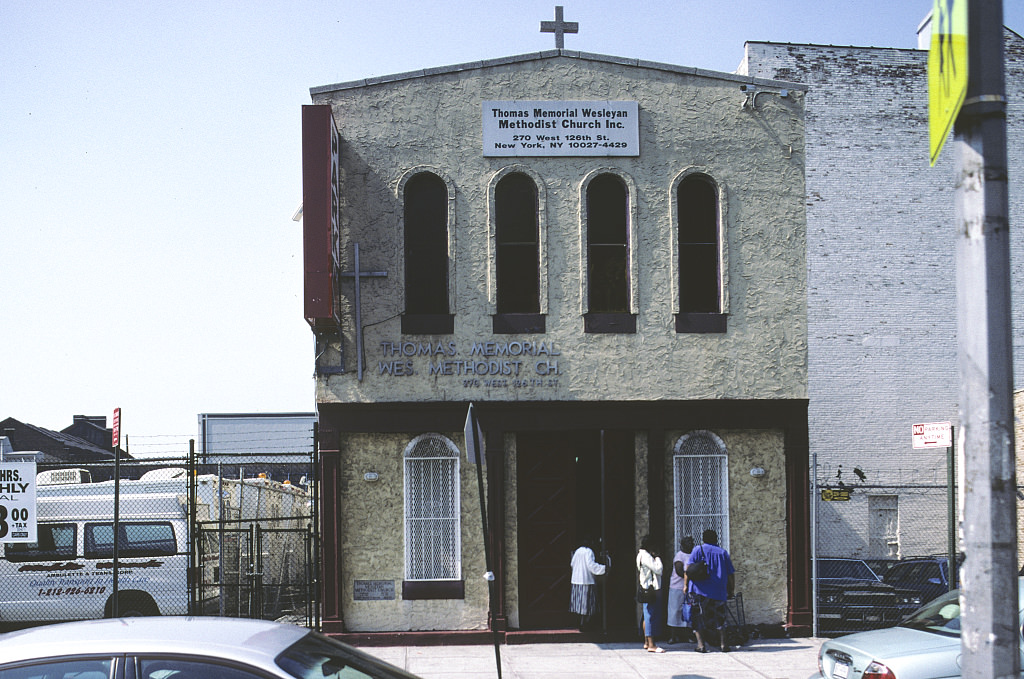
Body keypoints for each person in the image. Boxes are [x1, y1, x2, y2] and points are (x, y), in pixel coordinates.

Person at [688, 529, 736, 653]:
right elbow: (731, 574)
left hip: (699, 589)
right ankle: (723, 644)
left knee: (698, 617)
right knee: (720, 618)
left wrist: (685, 586)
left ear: (703, 539)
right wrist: (731, 589)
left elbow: (688, 569)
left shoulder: (697, 550)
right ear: (716, 539)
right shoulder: (723, 553)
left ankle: (701, 645)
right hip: (718, 591)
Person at [570, 537, 607, 629]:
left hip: (576, 580)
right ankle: (585, 624)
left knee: (579, 604)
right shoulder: (588, 551)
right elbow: (591, 566)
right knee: (587, 605)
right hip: (586, 581)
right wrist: (604, 568)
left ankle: (580, 622)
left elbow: (572, 564)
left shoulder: (577, 551)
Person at [636, 534, 664, 653]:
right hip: (650, 589)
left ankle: (647, 642)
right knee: (650, 617)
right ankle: (652, 644)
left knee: (646, 616)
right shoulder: (646, 556)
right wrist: (657, 557)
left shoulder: (641, 555)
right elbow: (658, 569)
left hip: (645, 587)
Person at [666, 536, 695, 644]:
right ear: (682, 545)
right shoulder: (679, 556)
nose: (690, 545)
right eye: (688, 543)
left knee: (688, 611)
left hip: (689, 587)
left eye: (691, 543)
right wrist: (690, 575)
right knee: (675, 611)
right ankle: (673, 636)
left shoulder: (693, 555)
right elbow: (679, 571)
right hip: (677, 587)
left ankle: (688, 636)